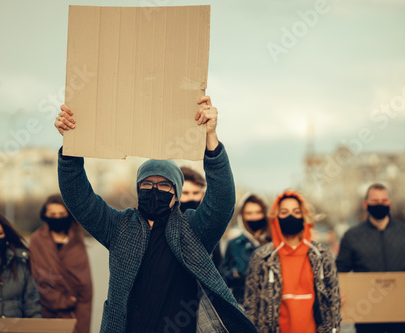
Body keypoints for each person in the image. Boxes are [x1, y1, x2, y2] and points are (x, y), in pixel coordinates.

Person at [55, 96, 258, 332]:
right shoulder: (119, 226)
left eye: (163, 186)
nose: (154, 190)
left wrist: (211, 141)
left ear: (177, 194)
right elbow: (79, 200)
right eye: (147, 184)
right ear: (138, 189)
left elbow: (222, 201)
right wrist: (70, 149)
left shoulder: (193, 229)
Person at [244, 190, 341, 332]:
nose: (291, 216)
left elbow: (333, 300)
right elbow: (251, 305)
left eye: (296, 212)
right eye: (284, 212)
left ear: (304, 215)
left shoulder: (320, 255)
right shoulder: (262, 257)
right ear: (276, 217)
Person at [336, 183, 405, 333]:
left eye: (384, 201)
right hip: (367, 315)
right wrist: (338, 296)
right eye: (375, 201)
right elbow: (340, 272)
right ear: (365, 204)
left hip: (404, 314)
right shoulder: (352, 236)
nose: (380, 204)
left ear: (390, 204)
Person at [29, 194, 93, 333]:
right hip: (43, 313)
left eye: (61, 214)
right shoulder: (37, 241)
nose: (57, 217)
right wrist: (63, 300)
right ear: (45, 215)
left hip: (73, 314)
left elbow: (85, 286)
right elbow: (35, 279)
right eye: (52, 214)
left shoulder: (77, 243)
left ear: (68, 215)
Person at [221, 193, 271, 304]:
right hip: (243, 305)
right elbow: (222, 278)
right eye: (249, 213)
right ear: (242, 216)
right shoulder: (234, 243)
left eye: (258, 212)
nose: (254, 217)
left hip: (271, 308)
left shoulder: (275, 242)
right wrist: (233, 274)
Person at [180, 165, 222, 270]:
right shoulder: (166, 225)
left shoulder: (209, 226)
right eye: (185, 193)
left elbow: (218, 265)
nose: (191, 198)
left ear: (203, 194)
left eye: (195, 193)